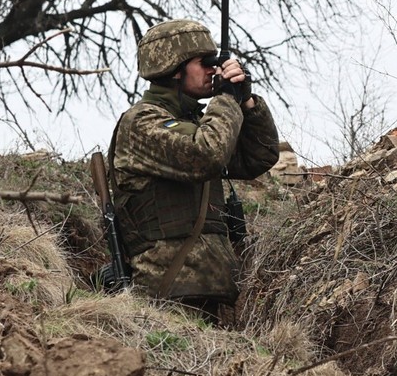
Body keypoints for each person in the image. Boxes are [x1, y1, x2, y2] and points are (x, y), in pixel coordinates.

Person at [108, 19, 280, 319]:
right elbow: (207, 154)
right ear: (175, 69)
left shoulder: (198, 124)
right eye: (205, 63)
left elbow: (260, 157)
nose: (214, 70)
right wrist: (226, 99)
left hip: (210, 292)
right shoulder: (141, 123)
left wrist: (247, 101)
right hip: (164, 296)